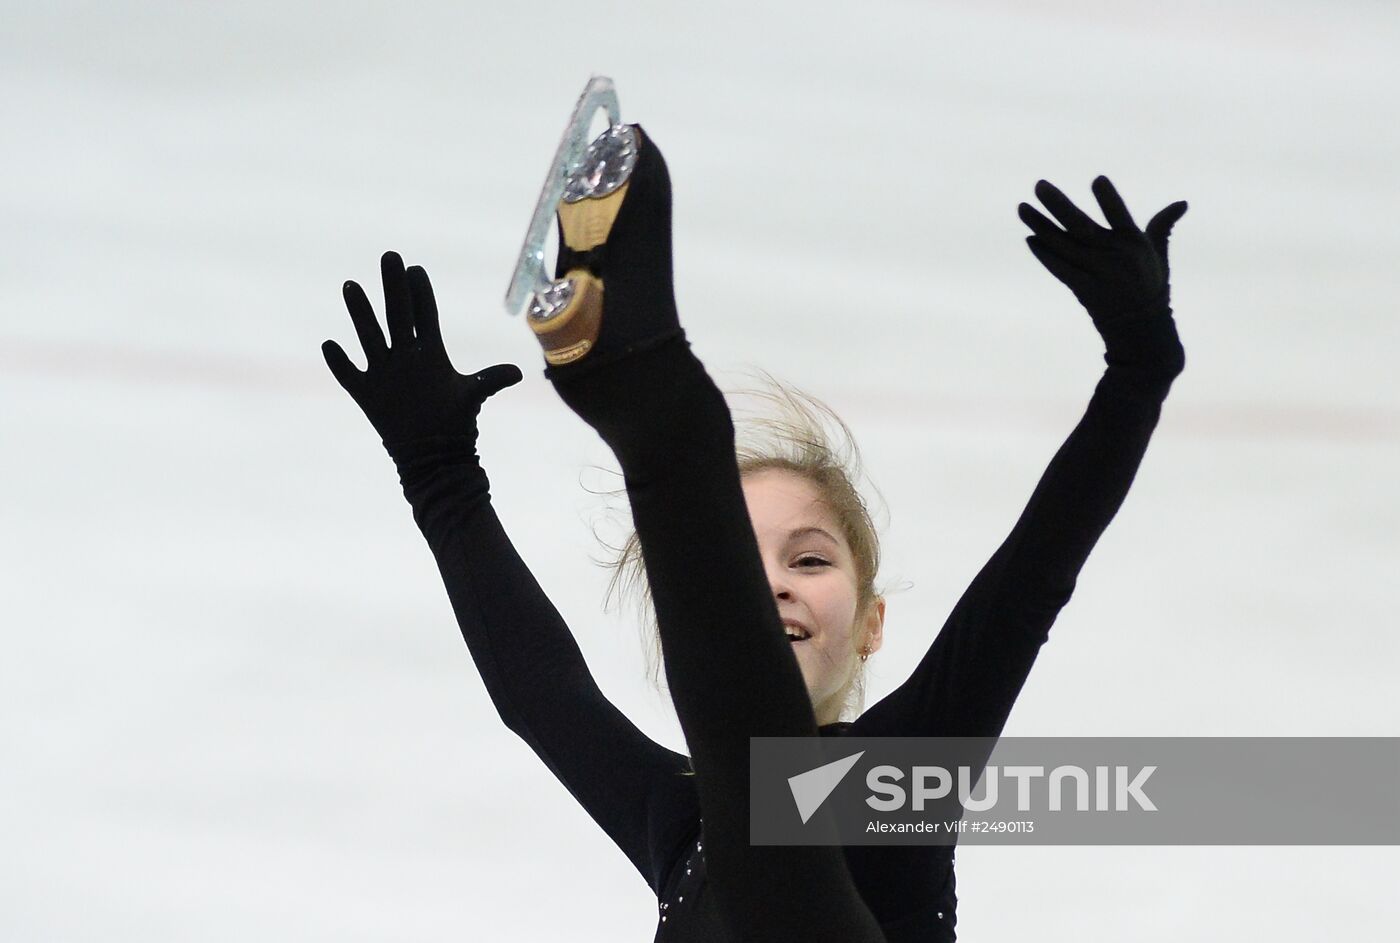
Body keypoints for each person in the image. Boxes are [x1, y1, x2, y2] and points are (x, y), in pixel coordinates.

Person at [322, 124, 1187, 942]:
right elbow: (538, 689)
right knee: (752, 798)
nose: (770, 583)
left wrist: (1141, 365)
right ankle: (657, 407)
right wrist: (438, 473)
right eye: (738, 562)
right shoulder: (678, 817)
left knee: (778, 803)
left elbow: (1031, 578)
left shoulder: (909, 774)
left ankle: (660, 407)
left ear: (872, 622)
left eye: (808, 559)